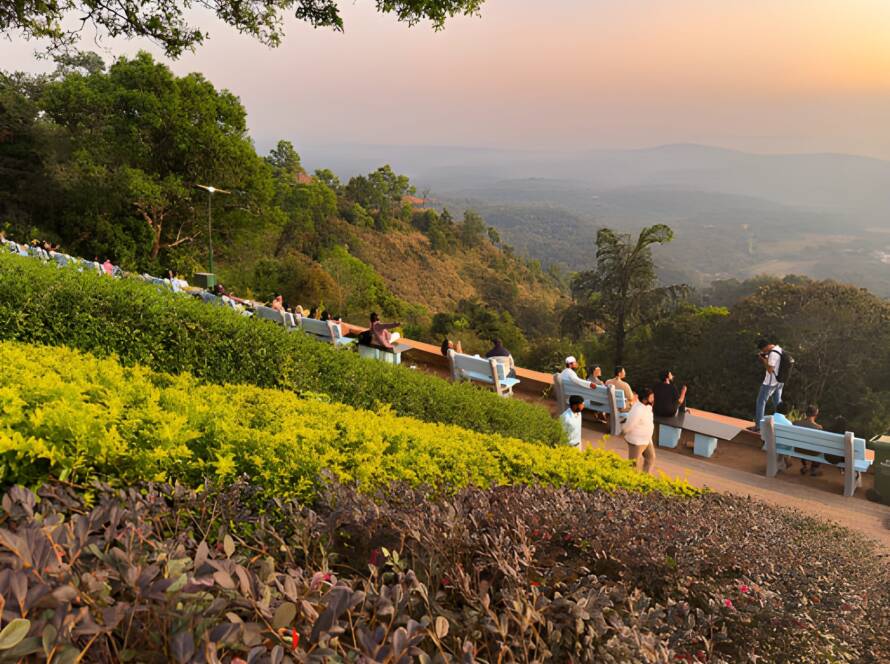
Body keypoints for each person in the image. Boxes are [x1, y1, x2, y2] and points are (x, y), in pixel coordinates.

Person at [752, 337, 785, 432]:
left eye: (762, 349)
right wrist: (766, 357)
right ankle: (782, 426)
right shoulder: (779, 349)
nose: (763, 351)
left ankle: (758, 426)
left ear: (765, 347)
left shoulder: (773, 353)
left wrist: (763, 359)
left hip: (770, 383)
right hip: (779, 382)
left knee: (760, 402)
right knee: (778, 403)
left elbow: (770, 369)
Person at [623, 387, 656, 473]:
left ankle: (644, 479)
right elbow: (629, 424)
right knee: (633, 465)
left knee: (650, 458)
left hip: (647, 440)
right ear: (645, 399)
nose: (653, 399)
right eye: (651, 397)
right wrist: (624, 431)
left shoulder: (647, 407)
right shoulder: (637, 409)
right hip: (637, 441)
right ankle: (630, 483)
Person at [794, 404, 823, 476]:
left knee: (803, 444)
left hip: (798, 449)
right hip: (812, 452)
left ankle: (805, 466)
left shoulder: (796, 423)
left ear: (806, 413)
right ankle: (814, 468)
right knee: (820, 448)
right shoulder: (818, 428)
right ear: (816, 414)